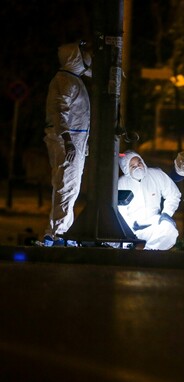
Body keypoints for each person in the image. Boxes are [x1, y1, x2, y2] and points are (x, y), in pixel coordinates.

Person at [43, 41, 92, 247]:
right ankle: (58, 234)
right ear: (75, 57)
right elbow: (59, 112)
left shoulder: (71, 79)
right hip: (69, 142)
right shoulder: (67, 81)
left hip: (73, 141)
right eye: (84, 53)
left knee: (68, 187)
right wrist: (69, 140)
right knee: (66, 187)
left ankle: (59, 231)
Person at [118, 150, 181, 250]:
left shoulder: (156, 175)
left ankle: (147, 254)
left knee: (169, 231)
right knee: (119, 243)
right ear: (126, 169)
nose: (138, 167)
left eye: (139, 163)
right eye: (133, 166)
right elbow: (121, 211)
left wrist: (166, 213)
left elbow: (173, 194)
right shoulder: (121, 184)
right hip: (133, 228)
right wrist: (129, 229)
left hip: (155, 223)